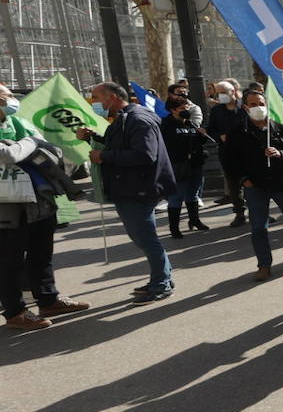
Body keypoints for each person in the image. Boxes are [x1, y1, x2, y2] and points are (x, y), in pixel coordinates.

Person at [77, 82, 177, 302]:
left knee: (145, 238)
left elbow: (145, 155)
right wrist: (94, 137)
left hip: (138, 189)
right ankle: (162, 278)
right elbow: (122, 145)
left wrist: (103, 157)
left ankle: (161, 283)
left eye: (95, 97)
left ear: (111, 97)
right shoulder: (125, 118)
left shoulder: (137, 119)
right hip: (131, 188)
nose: (93, 102)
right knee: (143, 237)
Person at [0, 86, 89, 329]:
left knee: (42, 254)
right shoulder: (25, 131)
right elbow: (6, 154)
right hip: (6, 208)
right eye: (6, 96)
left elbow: (52, 149)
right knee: (9, 261)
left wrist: (27, 145)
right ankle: (15, 312)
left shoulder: (18, 121)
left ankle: (48, 299)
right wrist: (30, 143)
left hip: (38, 201)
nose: (12, 100)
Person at [222, 89, 283, 282]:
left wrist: (281, 154)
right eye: (253, 104)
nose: (258, 108)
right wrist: (243, 180)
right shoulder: (237, 132)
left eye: (261, 103)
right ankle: (264, 265)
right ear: (245, 107)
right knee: (258, 228)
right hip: (255, 187)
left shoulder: (280, 129)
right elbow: (229, 162)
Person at [160, 94, 209, 238]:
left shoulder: (190, 123)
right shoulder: (166, 125)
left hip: (195, 164)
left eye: (187, 107)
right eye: (182, 108)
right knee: (176, 197)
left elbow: (199, 142)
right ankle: (174, 228)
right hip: (178, 166)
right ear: (173, 110)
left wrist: (201, 135)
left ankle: (195, 220)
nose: (186, 110)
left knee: (193, 194)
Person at [204, 79, 248, 226]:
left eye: (224, 92)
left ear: (233, 92)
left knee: (254, 183)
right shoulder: (217, 111)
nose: (221, 96)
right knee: (233, 185)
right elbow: (211, 130)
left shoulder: (245, 108)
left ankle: (259, 212)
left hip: (248, 152)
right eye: (219, 93)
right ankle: (239, 213)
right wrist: (219, 136)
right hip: (227, 152)